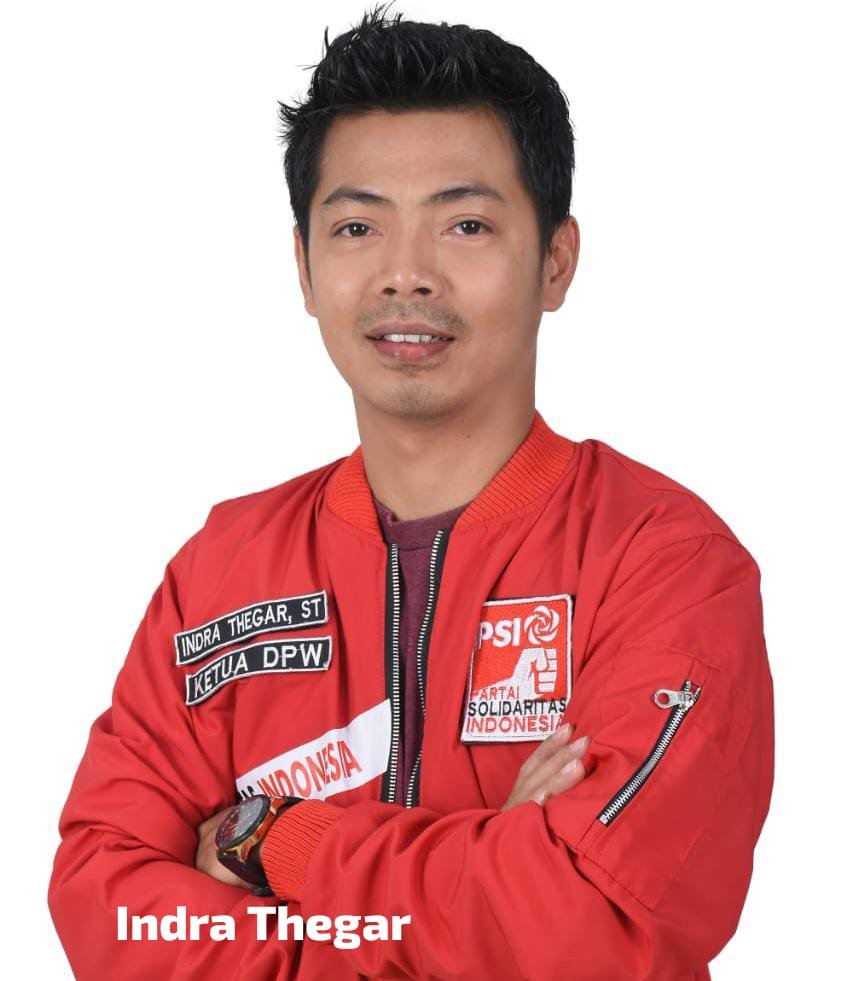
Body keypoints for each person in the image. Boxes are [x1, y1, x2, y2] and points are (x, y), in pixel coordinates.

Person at [48, 5, 775, 979]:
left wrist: (276, 841)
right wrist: (492, 871)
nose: (405, 274)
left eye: (465, 224)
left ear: (555, 260)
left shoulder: (664, 563)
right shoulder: (220, 572)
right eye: (357, 227)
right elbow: (112, 914)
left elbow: (595, 921)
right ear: (304, 268)